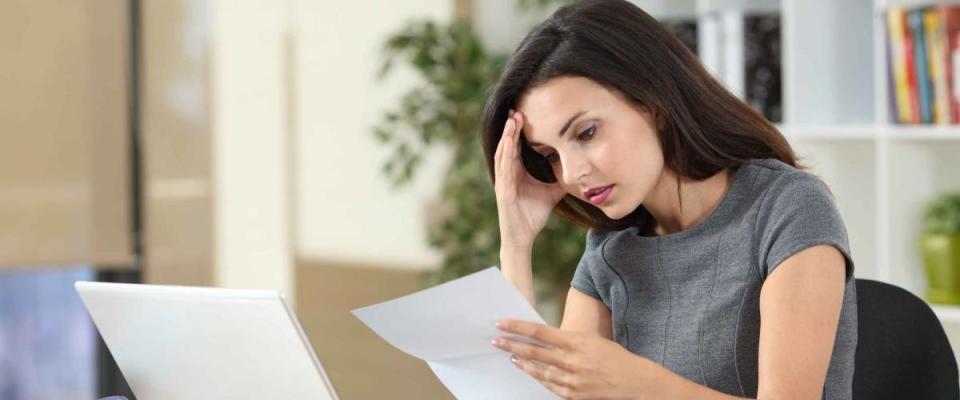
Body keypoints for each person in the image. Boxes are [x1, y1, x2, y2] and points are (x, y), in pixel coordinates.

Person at [480, 1, 856, 399]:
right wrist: (516, 245)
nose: (571, 174)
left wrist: (637, 384)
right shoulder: (610, 250)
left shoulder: (787, 209)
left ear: (653, 103)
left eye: (586, 133)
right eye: (550, 156)